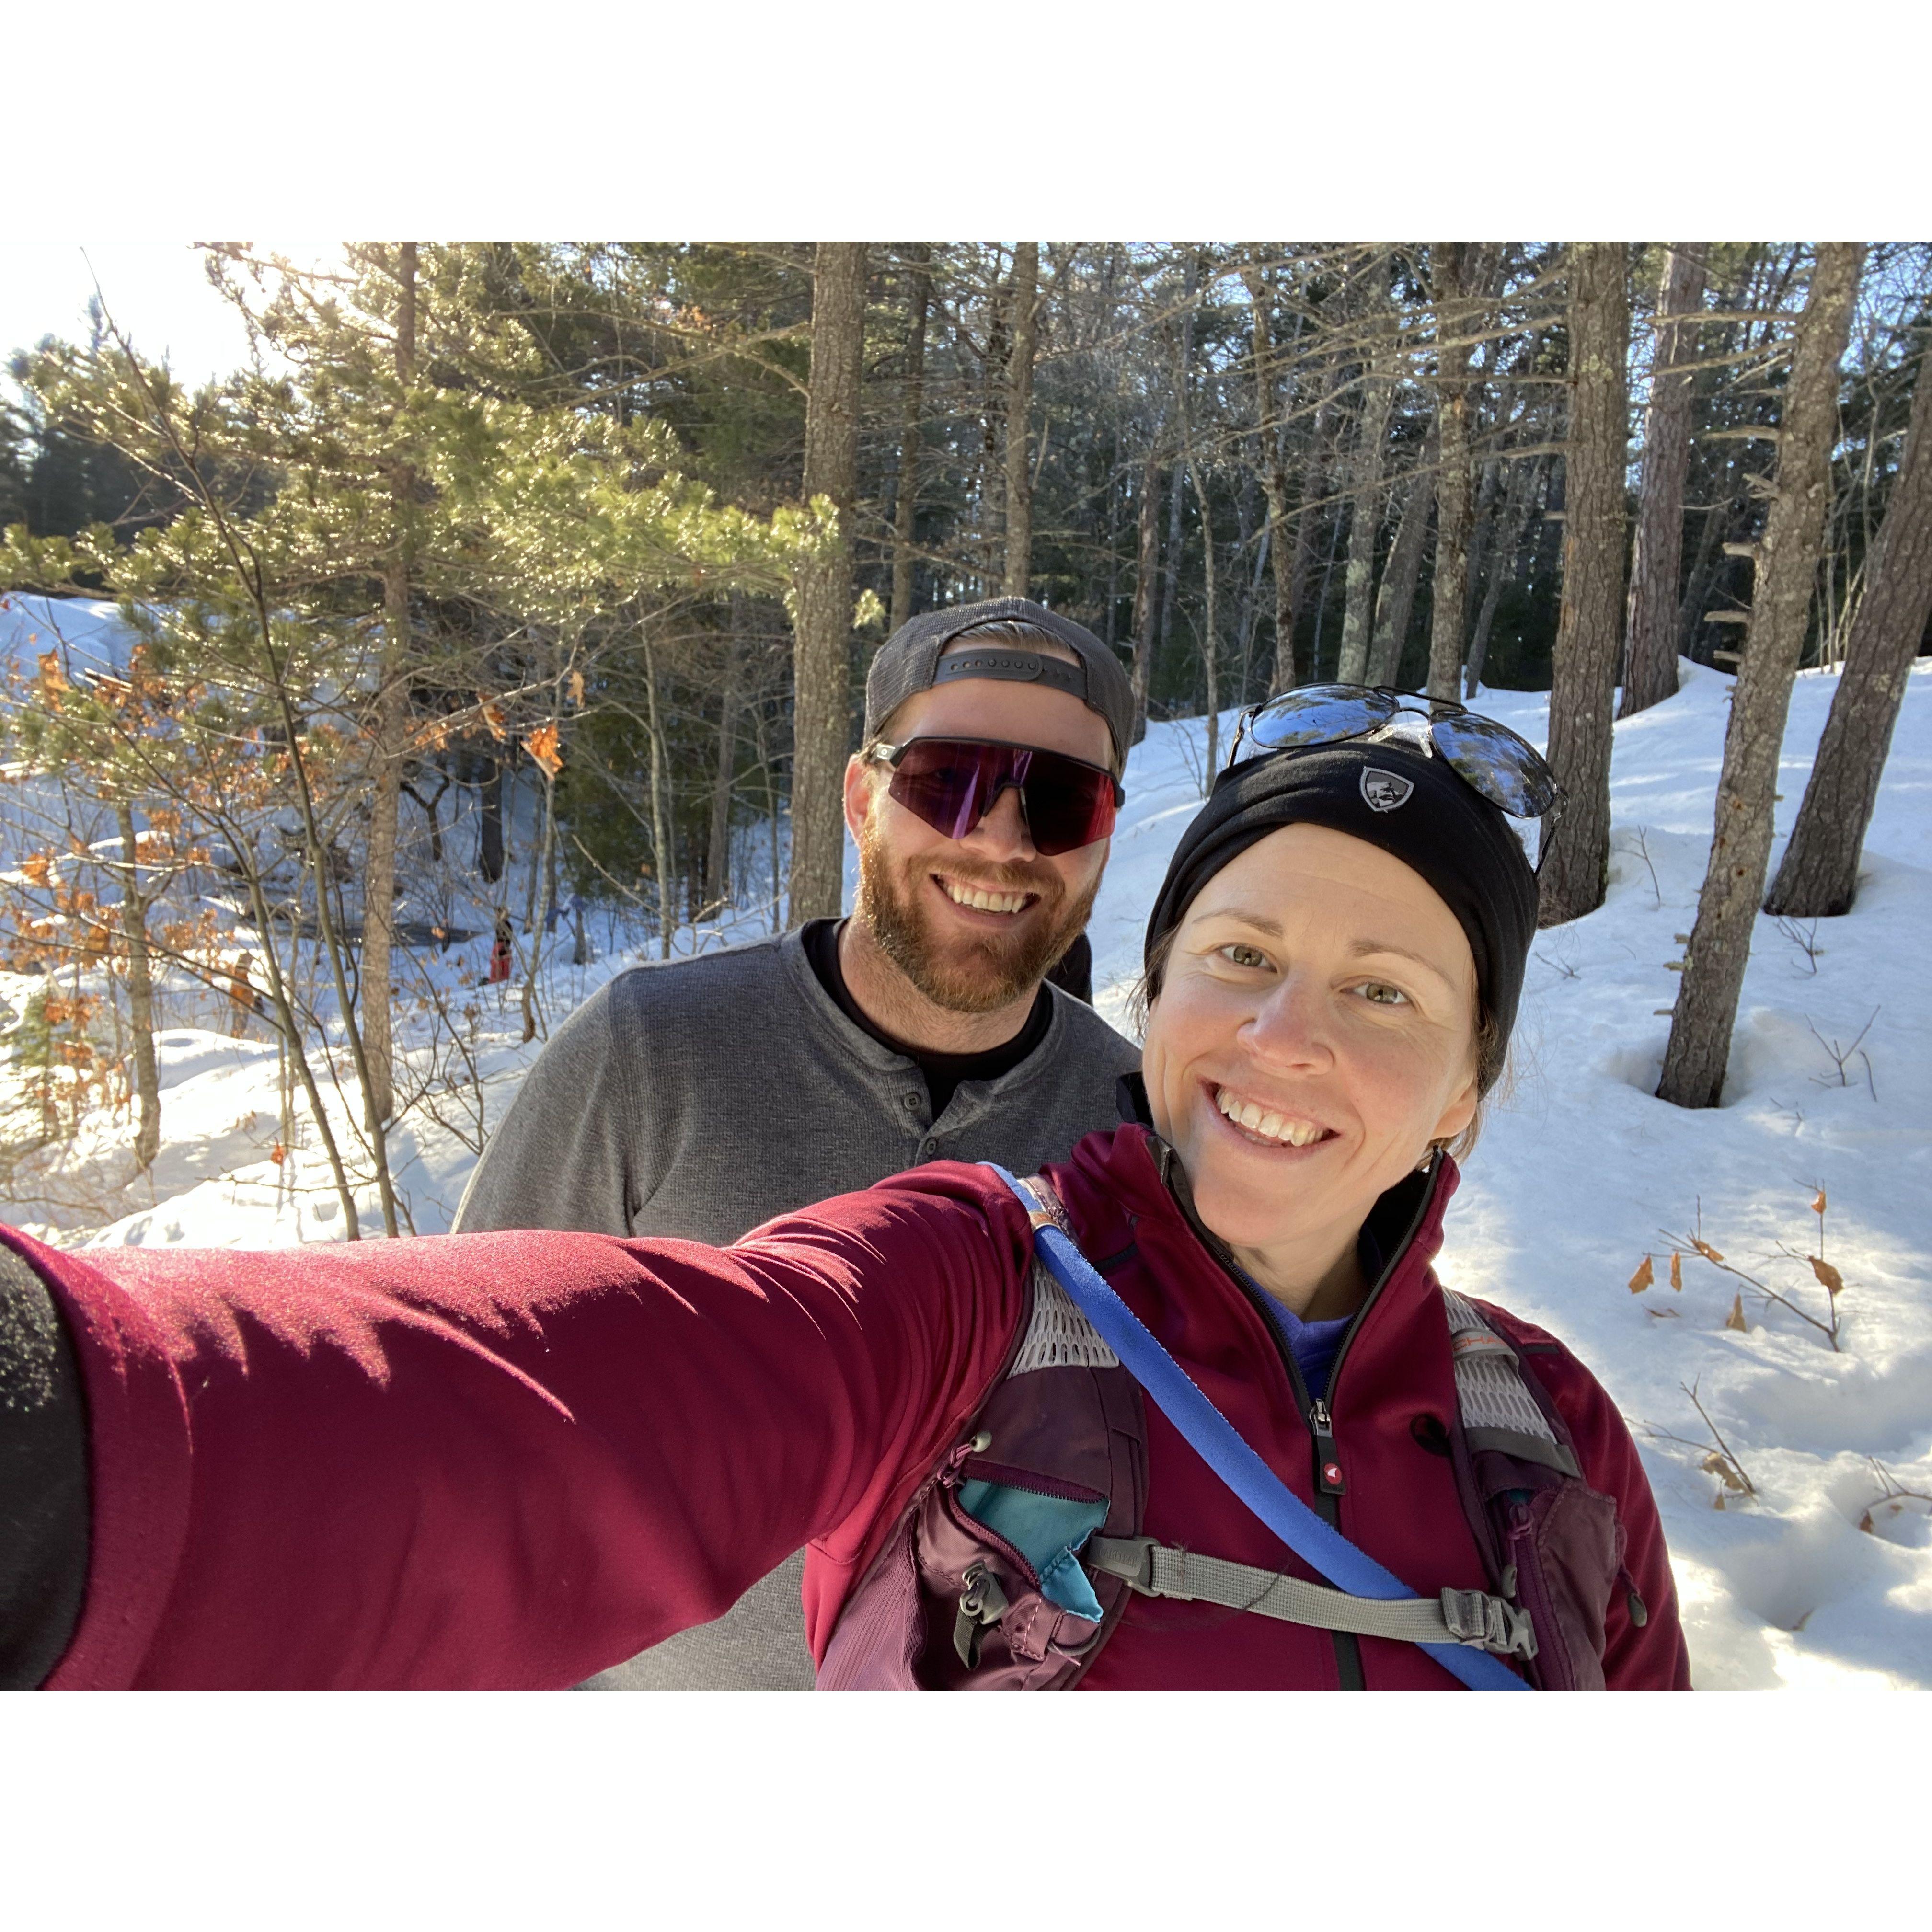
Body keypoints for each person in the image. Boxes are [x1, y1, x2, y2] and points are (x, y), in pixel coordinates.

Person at [1, 685, 1689, 1690]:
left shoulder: (1552, 1441)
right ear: (1162, 989)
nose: (1283, 1035)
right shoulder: (970, 1288)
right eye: (1240, 954)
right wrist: (74, 1429)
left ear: (1469, 1085)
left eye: (1384, 990)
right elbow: (556, 1400)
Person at [452, 597, 1141, 1688]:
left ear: (1105, 835)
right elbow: (469, 1408)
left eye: (1061, 799)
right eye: (949, 781)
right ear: (863, 798)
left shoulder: (1138, 1123)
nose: (1003, 840)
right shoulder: (651, 1053)